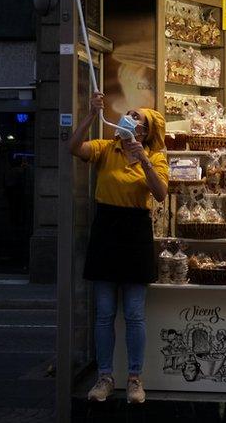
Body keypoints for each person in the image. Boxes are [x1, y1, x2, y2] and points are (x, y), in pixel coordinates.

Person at [70, 92, 169, 404]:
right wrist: (89, 114)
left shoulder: (155, 156)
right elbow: (73, 148)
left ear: (145, 130)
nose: (128, 117)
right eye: (129, 113)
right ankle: (104, 377)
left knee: (135, 314)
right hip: (106, 229)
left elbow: (161, 193)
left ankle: (135, 379)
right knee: (103, 313)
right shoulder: (105, 148)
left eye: (136, 116)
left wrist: (143, 160)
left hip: (136, 231)